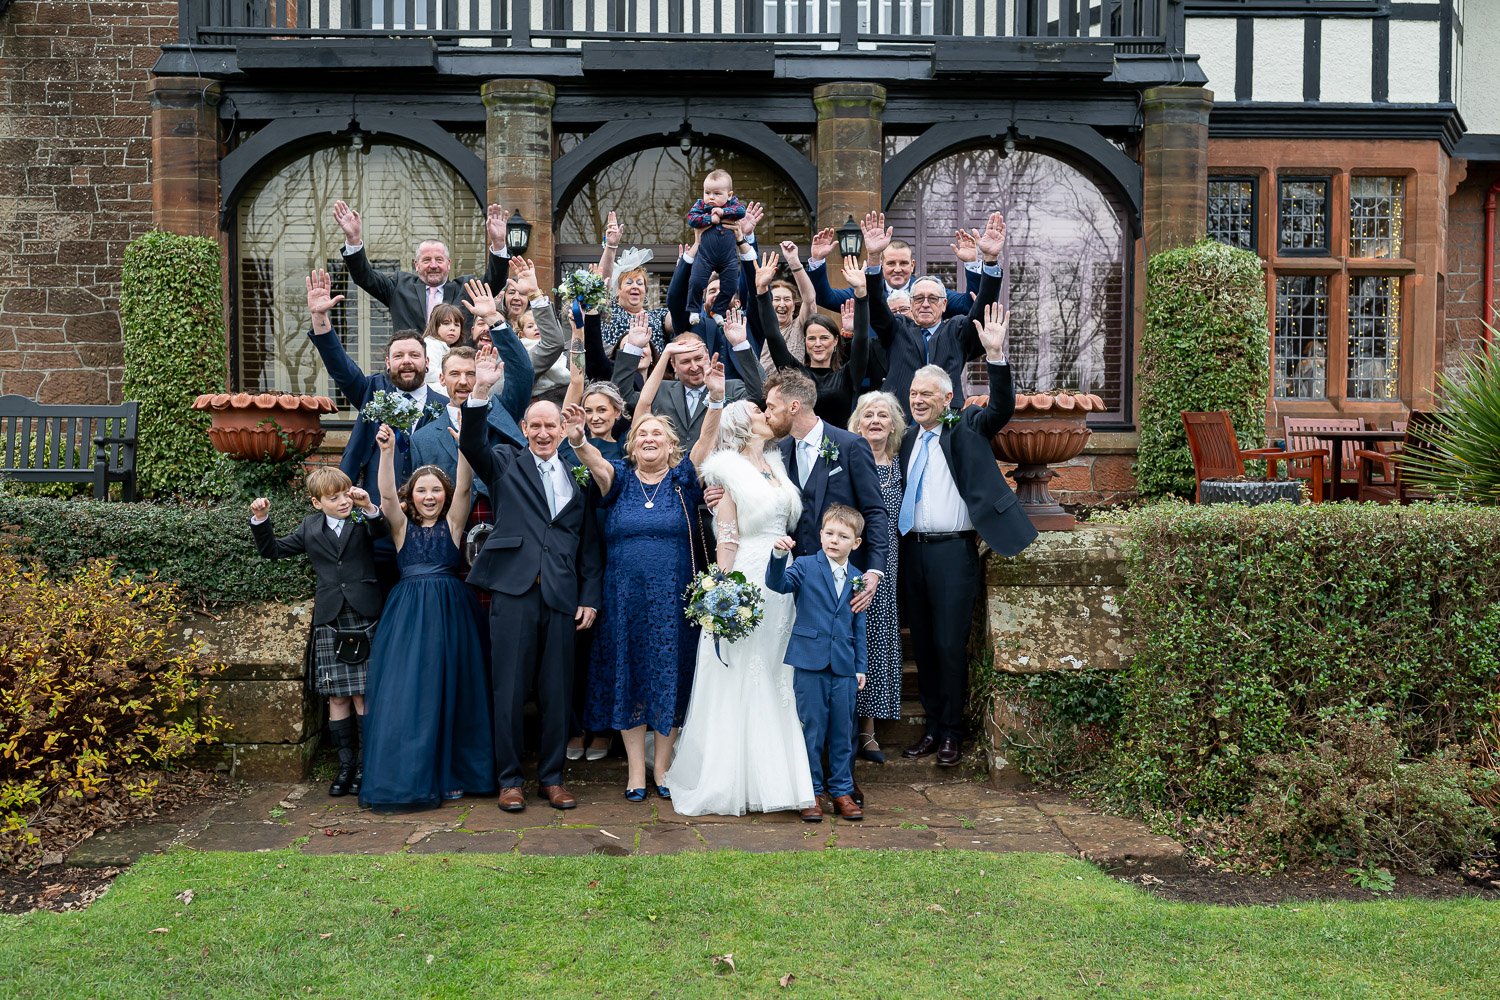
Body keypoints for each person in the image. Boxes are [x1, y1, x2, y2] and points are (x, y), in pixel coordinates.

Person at [459, 359, 609, 813]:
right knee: (509, 689)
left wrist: (589, 596)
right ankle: (509, 780)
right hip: (514, 592)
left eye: (551, 426)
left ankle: (552, 778)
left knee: (556, 692)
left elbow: (589, 544)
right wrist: (481, 391)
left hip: (561, 595)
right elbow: (471, 442)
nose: (544, 433)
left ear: (563, 429)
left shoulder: (577, 471)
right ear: (524, 428)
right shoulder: (504, 463)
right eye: (536, 425)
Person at [899, 303, 1038, 767]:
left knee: (948, 644)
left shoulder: (965, 426)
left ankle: (952, 734)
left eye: (925, 395)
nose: (917, 400)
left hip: (953, 553)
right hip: (911, 552)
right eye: (913, 393)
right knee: (924, 644)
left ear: (946, 398)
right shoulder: (906, 439)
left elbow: (1001, 408)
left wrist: (995, 355)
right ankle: (933, 727)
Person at [664, 400, 815, 818]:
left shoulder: (775, 465)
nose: (768, 413)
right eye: (757, 410)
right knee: (745, 669)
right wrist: (721, 592)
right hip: (748, 573)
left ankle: (783, 777)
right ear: (740, 425)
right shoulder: (725, 473)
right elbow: (726, 538)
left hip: (781, 580)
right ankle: (735, 779)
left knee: (775, 672)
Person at [586, 362, 723, 801]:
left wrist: (716, 400)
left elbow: (706, 440)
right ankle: (634, 772)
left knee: (669, 675)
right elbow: (594, 462)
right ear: (633, 444)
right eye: (642, 434)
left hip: (673, 596)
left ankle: (662, 767)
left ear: (670, 445)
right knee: (629, 673)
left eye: (657, 435)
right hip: (624, 596)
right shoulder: (620, 478)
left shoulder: (684, 479)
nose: (649, 439)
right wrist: (577, 441)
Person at [360, 426, 495, 811]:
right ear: (412, 497)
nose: (430, 496)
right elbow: (385, 496)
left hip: (453, 613)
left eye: (436, 489)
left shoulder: (454, 524)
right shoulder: (402, 529)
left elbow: (467, 488)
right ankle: (414, 775)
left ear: (444, 495)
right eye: (422, 490)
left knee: (457, 688)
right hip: (408, 616)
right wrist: (386, 453)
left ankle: (459, 775)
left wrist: (465, 448)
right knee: (412, 692)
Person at [305, 269, 446, 589]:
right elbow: (341, 369)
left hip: (430, 530)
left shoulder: (445, 405)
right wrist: (320, 320)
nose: (406, 361)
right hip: (376, 529)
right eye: (399, 356)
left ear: (427, 362)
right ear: (387, 362)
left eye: (414, 355)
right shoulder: (373, 392)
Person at [249, 470, 386, 798]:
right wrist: (261, 518)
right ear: (316, 502)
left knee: (362, 695)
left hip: (364, 611)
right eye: (333, 497)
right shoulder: (309, 527)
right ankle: (345, 766)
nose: (341, 501)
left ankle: (367, 767)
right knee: (337, 696)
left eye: (344, 494)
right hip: (331, 614)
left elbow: (382, 533)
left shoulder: (358, 516)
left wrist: (368, 506)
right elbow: (273, 551)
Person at [766, 505, 869, 823]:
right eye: (829, 533)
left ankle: (841, 790)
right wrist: (779, 556)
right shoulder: (807, 566)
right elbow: (778, 584)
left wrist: (860, 666)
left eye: (842, 536)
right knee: (812, 729)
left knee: (843, 731)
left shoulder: (857, 578)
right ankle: (810, 792)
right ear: (820, 534)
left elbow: (858, 625)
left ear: (856, 543)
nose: (834, 540)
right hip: (809, 662)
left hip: (844, 666)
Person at [864, 211, 1006, 413]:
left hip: (946, 421)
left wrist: (990, 260)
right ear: (911, 304)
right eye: (919, 299)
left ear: (944, 304)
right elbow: (876, 304)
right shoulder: (897, 329)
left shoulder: (956, 330)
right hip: (901, 421)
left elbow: (980, 310)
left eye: (932, 299)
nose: (925, 304)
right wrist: (873, 257)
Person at [332, 200, 511, 333]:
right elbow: (365, 277)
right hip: (411, 369)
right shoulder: (398, 286)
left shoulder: (466, 288)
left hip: (456, 371)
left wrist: (498, 243)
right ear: (416, 265)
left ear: (448, 265)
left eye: (439, 260)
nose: (433, 265)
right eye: (426, 260)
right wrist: (353, 240)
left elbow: (494, 282)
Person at [848, 391, 908, 762]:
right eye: (868, 414)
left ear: (893, 424)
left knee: (879, 639)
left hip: (887, 564)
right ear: (857, 422)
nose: (875, 421)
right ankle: (841, 727)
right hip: (851, 558)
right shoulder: (849, 460)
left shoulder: (902, 465)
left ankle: (868, 731)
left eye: (882, 415)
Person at [614, 310, 764, 452]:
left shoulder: (730, 388)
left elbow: (760, 396)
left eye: (698, 358)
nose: (694, 367)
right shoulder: (659, 390)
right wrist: (633, 348)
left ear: (708, 355)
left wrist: (740, 345)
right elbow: (621, 399)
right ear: (673, 364)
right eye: (685, 362)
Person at [756, 256, 870, 427]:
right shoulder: (795, 373)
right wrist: (762, 290)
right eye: (811, 338)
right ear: (805, 343)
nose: (817, 343)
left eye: (824, 338)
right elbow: (773, 336)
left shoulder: (848, 375)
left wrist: (861, 293)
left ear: (835, 341)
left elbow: (861, 338)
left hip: (838, 447)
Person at [685, 169, 747, 318]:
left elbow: (741, 211)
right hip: (706, 256)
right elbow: (691, 218)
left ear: (729, 195)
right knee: (696, 282)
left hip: (728, 258)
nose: (711, 197)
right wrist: (709, 219)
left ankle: (718, 310)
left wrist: (722, 212)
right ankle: (694, 310)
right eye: (707, 193)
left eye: (717, 193)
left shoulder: (733, 205)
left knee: (731, 287)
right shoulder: (701, 205)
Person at [422, 304, 467, 392]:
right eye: (446, 323)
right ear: (435, 326)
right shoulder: (430, 344)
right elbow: (428, 372)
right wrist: (453, 375)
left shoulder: (447, 348)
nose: (452, 328)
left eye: (457, 325)